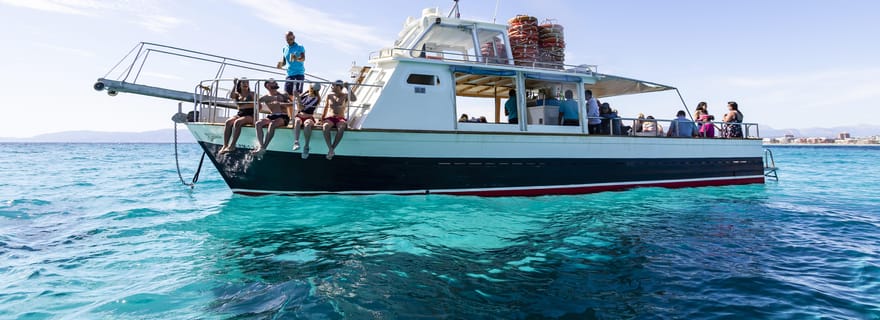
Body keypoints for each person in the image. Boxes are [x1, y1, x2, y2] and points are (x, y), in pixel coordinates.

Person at [253, 79, 292, 157]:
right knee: (258, 123)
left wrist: (281, 103)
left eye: (275, 82)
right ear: (267, 86)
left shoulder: (283, 94)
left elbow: (291, 104)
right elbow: (255, 104)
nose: (276, 83)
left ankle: (264, 147)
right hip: (271, 116)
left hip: (283, 116)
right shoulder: (265, 97)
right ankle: (261, 146)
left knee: (272, 124)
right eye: (273, 82)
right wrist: (257, 106)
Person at [322, 80, 357, 160]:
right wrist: (322, 118)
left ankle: (332, 149)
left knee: (341, 128)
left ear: (338, 87)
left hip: (340, 118)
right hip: (330, 117)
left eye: (333, 85)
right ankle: (330, 148)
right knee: (325, 126)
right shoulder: (329, 95)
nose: (331, 87)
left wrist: (348, 88)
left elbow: (354, 99)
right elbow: (326, 107)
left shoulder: (345, 96)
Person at [220, 78, 256, 154]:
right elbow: (231, 95)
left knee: (237, 122)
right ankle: (225, 145)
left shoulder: (252, 94)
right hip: (240, 113)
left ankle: (232, 145)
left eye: (247, 82)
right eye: (243, 82)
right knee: (228, 122)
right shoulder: (237, 94)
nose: (246, 84)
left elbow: (260, 106)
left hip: (250, 114)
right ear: (240, 84)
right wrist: (234, 84)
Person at [292, 83, 322, 159]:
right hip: (299, 116)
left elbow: (303, 108)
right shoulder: (305, 96)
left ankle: (306, 146)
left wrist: (298, 97)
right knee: (297, 121)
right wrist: (303, 94)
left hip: (308, 117)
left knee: (307, 124)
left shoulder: (316, 98)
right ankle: (296, 142)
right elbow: (298, 106)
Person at [277, 31, 306, 97]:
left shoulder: (300, 47)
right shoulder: (285, 48)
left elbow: (303, 58)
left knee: (298, 95)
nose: (289, 41)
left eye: (291, 39)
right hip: (289, 75)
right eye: (288, 39)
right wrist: (280, 65)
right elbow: (284, 62)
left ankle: (298, 107)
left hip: (299, 74)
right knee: (287, 96)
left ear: (294, 37)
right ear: (285, 38)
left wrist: (296, 58)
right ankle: (290, 107)